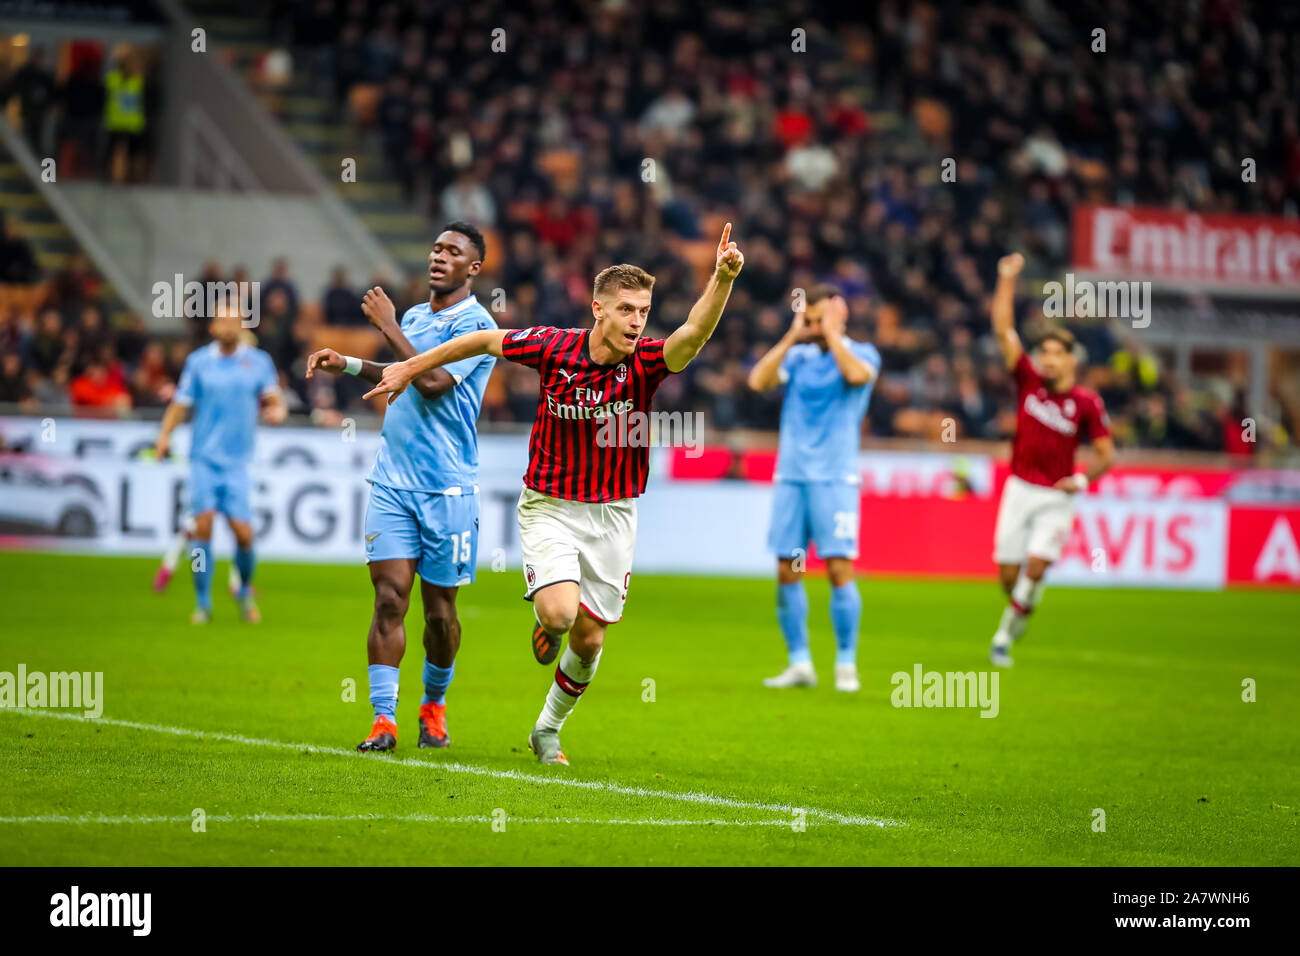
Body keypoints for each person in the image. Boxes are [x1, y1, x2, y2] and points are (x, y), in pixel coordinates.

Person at [363, 223, 745, 766]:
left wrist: (722, 279)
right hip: (550, 506)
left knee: (590, 642)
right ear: (598, 309)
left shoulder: (647, 364)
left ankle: (546, 730)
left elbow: (693, 334)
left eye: (643, 311)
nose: (638, 321)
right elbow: (483, 340)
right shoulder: (555, 349)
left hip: (614, 513)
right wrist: (409, 366)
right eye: (627, 310)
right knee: (563, 615)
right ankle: (545, 622)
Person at [306, 223, 496, 752]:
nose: (439, 257)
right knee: (390, 599)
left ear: (473, 268)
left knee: (440, 615)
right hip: (393, 484)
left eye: (453, 252)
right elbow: (399, 373)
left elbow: (432, 382)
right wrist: (346, 363)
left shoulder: (478, 326)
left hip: (448, 490)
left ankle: (433, 706)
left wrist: (388, 324)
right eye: (435, 247)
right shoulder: (415, 318)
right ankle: (383, 720)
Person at [746, 284, 881, 691]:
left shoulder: (862, 354)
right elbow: (758, 381)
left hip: (835, 478)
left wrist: (834, 335)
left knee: (838, 568)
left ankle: (845, 664)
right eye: (810, 318)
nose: (815, 326)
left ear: (838, 317)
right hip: (792, 475)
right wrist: (792, 335)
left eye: (820, 318)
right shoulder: (799, 356)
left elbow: (857, 377)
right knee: (787, 567)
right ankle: (800, 662)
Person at [987, 253, 1114, 666]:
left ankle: (1002, 638)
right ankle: (1024, 600)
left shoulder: (1086, 403)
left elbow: (1105, 455)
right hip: (1019, 487)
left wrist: (1082, 480)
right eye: (1044, 352)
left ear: (1071, 359)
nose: (1048, 359)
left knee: (1037, 565)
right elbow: (1004, 330)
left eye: (1057, 353)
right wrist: (1006, 278)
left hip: (1057, 496)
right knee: (1009, 576)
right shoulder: (1027, 380)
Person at [153, 309, 286, 624]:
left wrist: (277, 412)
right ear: (213, 326)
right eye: (223, 320)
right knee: (203, 528)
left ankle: (242, 592)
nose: (228, 326)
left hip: (240, 463)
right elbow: (181, 404)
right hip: (203, 460)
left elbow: (275, 401)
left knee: (243, 534)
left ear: (242, 327)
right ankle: (203, 602)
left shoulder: (259, 362)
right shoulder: (198, 362)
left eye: (234, 321)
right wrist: (164, 435)